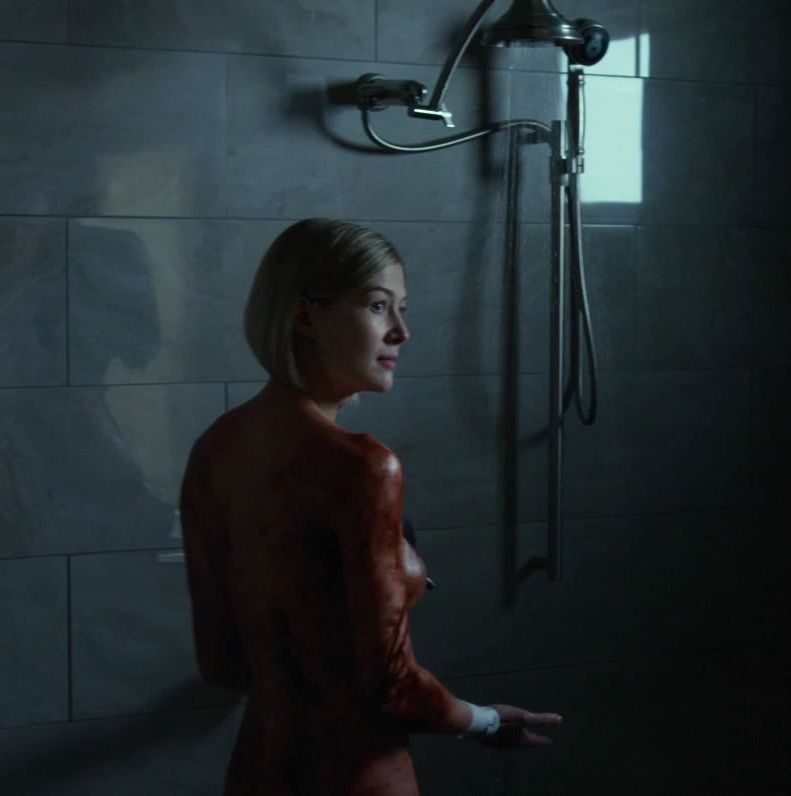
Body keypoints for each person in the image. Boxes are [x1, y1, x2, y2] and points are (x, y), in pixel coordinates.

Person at [179, 218, 562, 794]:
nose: (401, 332)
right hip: (358, 774)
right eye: (379, 306)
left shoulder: (215, 448)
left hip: (260, 769)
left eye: (400, 309)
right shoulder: (362, 466)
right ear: (305, 316)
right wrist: (485, 722)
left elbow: (221, 663)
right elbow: (391, 686)